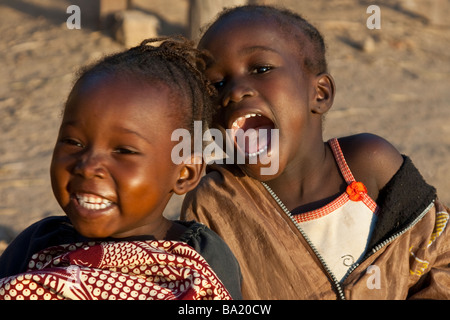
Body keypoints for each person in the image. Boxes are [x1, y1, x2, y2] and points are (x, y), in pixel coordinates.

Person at [181, 5, 450, 299]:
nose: (233, 92)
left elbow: (439, 257)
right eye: (216, 84)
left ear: (319, 94)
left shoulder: (368, 163)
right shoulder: (215, 202)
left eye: (261, 69)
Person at [0, 37, 241, 300]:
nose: (88, 166)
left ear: (186, 173)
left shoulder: (202, 256)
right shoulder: (36, 244)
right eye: (73, 142)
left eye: (124, 151)